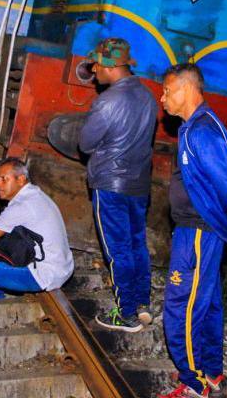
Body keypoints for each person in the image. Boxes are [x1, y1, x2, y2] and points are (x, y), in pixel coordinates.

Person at [157, 63, 227, 398]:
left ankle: (193, 382)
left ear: (186, 89)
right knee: (208, 302)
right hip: (201, 230)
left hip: (199, 233)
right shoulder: (196, 126)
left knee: (180, 305)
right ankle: (210, 370)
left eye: (167, 91)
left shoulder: (201, 131)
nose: (163, 98)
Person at [79, 37, 158, 332]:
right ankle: (141, 304)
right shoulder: (148, 96)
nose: (94, 70)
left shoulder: (108, 101)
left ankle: (125, 313)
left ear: (109, 66)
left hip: (110, 184)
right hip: (139, 184)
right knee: (137, 243)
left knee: (117, 249)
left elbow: (85, 143)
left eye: (96, 64)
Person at [0, 158, 74, 331]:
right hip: (63, 267)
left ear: (21, 179)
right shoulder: (36, 195)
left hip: (45, 274)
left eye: (4, 179)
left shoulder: (22, 206)